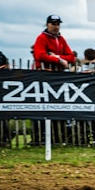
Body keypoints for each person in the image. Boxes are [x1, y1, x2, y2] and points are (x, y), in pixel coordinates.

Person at [31, 15, 78, 146]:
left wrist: (56, 56)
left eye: (58, 24)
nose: (56, 26)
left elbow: (71, 57)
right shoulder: (41, 38)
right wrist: (58, 60)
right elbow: (39, 54)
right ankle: (38, 138)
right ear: (47, 24)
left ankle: (58, 137)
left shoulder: (61, 39)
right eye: (53, 23)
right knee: (41, 107)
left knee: (58, 106)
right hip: (44, 76)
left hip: (58, 77)